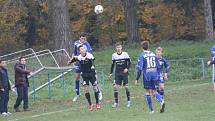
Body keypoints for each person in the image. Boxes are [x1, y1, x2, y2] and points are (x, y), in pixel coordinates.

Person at [135, 41, 165, 113]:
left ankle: (151, 110)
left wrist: (136, 78)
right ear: (148, 47)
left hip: (147, 75)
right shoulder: (153, 54)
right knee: (154, 91)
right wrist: (159, 75)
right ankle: (162, 101)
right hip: (154, 74)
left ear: (142, 47)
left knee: (147, 92)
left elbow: (140, 68)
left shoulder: (142, 55)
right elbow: (158, 66)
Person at [71, 32, 102, 102]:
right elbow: (74, 53)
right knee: (77, 77)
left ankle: (99, 92)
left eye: (84, 38)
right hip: (79, 63)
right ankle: (77, 94)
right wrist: (73, 60)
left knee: (92, 79)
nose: (83, 40)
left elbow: (90, 53)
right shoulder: (76, 43)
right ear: (79, 38)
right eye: (82, 38)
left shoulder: (87, 44)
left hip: (87, 64)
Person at [68, 46, 101, 111]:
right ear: (79, 51)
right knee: (86, 89)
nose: (83, 50)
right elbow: (75, 58)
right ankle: (90, 104)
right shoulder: (79, 57)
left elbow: (92, 62)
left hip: (91, 74)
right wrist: (70, 62)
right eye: (81, 49)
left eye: (84, 48)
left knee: (95, 87)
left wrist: (93, 66)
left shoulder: (89, 55)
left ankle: (97, 103)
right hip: (84, 75)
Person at [109, 42, 131, 108]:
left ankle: (129, 101)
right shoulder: (114, 55)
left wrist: (127, 68)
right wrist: (111, 73)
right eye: (117, 47)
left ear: (121, 48)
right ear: (115, 48)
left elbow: (129, 62)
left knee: (126, 87)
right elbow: (112, 65)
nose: (118, 48)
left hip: (124, 73)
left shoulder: (125, 54)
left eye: (120, 47)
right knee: (115, 87)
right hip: (117, 73)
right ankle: (116, 103)